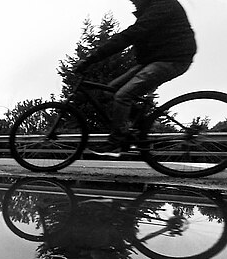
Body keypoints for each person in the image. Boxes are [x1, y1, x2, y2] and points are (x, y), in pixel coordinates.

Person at [74, 0, 197, 156]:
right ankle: (139, 126)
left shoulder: (163, 5)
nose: (133, 3)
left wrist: (91, 59)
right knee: (111, 91)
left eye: (134, 0)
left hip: (173, 59)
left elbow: (131, 35)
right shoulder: (151, 8)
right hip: (154, 59)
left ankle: (116, 143)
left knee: (123, 95)